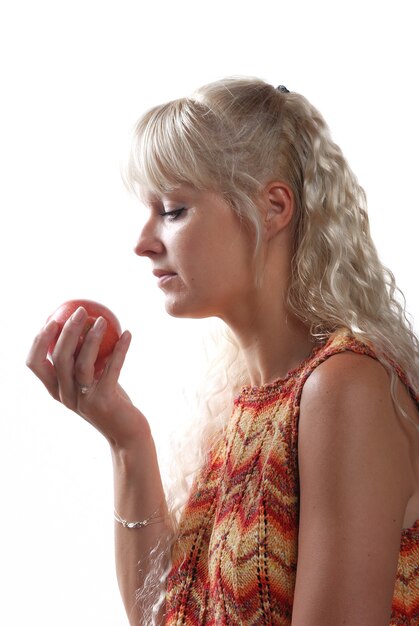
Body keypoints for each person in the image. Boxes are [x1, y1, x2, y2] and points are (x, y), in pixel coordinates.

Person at [27, 77, 419, 625]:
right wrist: (125, 439)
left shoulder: (345, 389)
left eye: (172, 209)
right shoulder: (237, 406)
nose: (142, 242)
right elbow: (163, 616)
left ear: (273, 207)